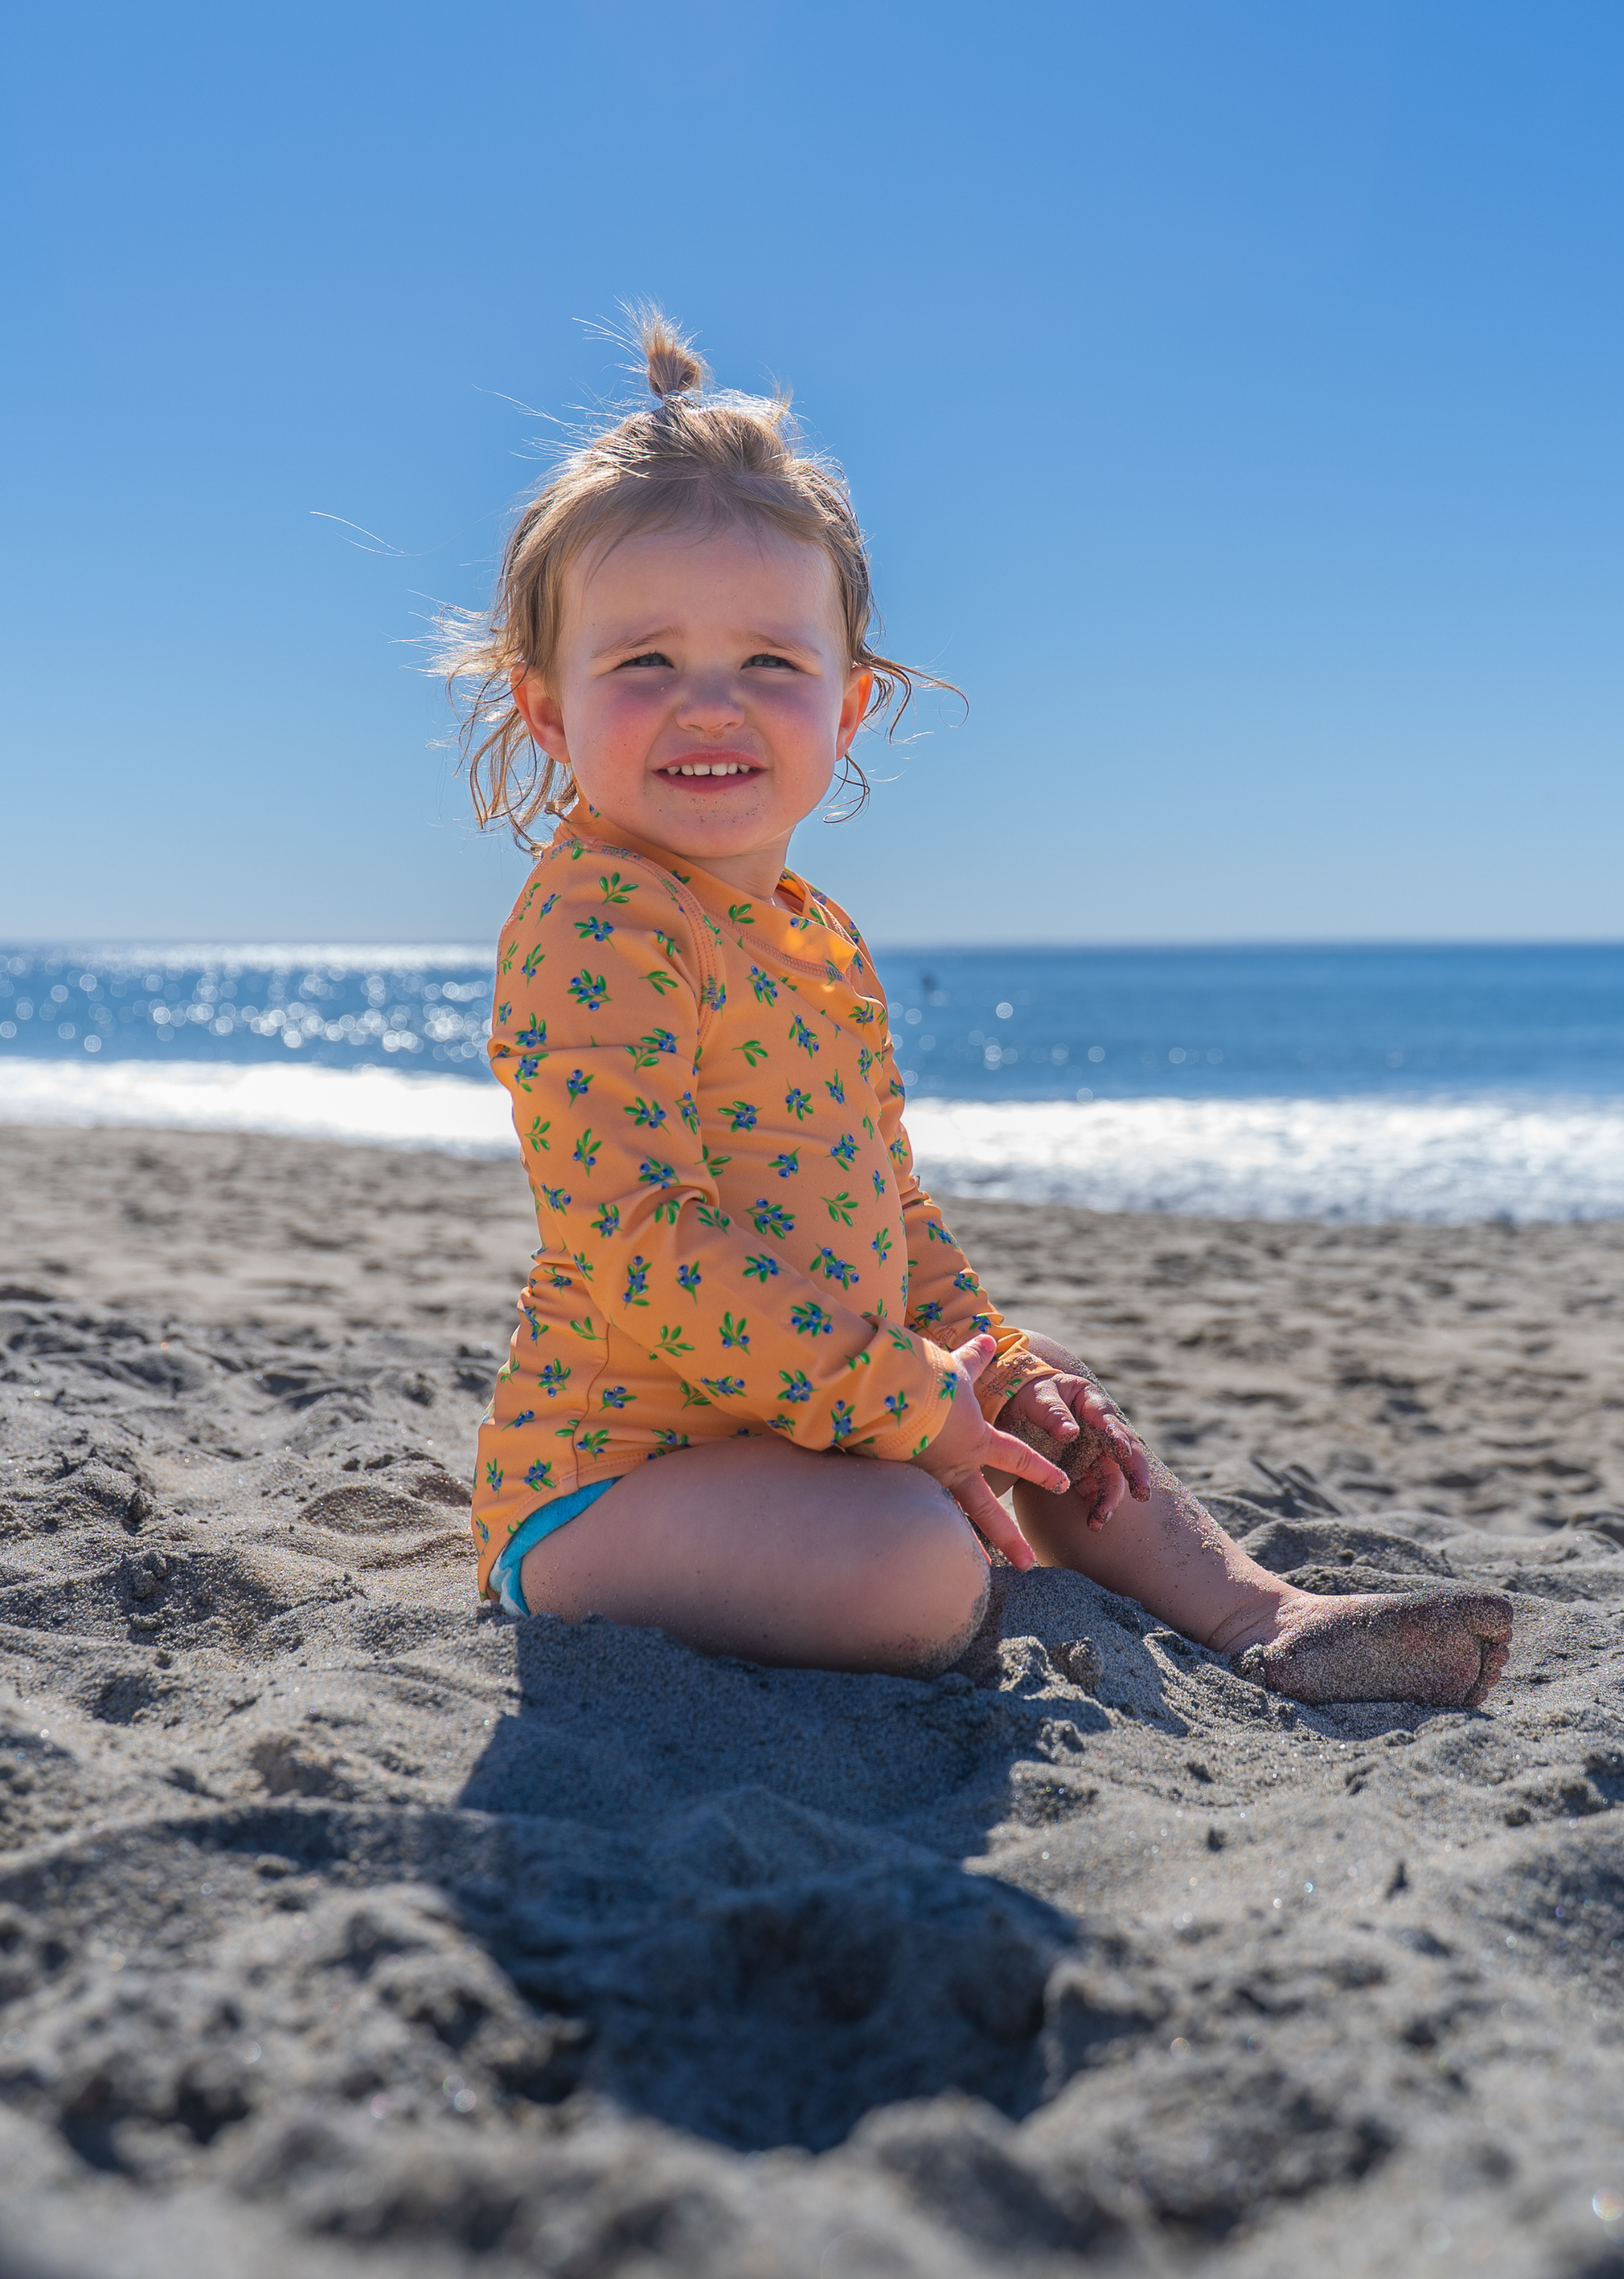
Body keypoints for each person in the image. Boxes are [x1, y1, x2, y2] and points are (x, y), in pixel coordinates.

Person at [439, 311, 1512, 1708]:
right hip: (619, 1484)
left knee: (1045, 1386)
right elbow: (642, 1244)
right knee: (918, 1566)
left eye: (770, 664)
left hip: (822, 1421)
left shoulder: (820, 937)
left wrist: (983, 1367)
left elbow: (890, 1209)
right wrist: (903, 1401)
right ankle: (954, 1561)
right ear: (547, 711)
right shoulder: (596, 922)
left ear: (849, 709)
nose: (710, 706)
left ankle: (1262, 1611)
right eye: (644, 662)